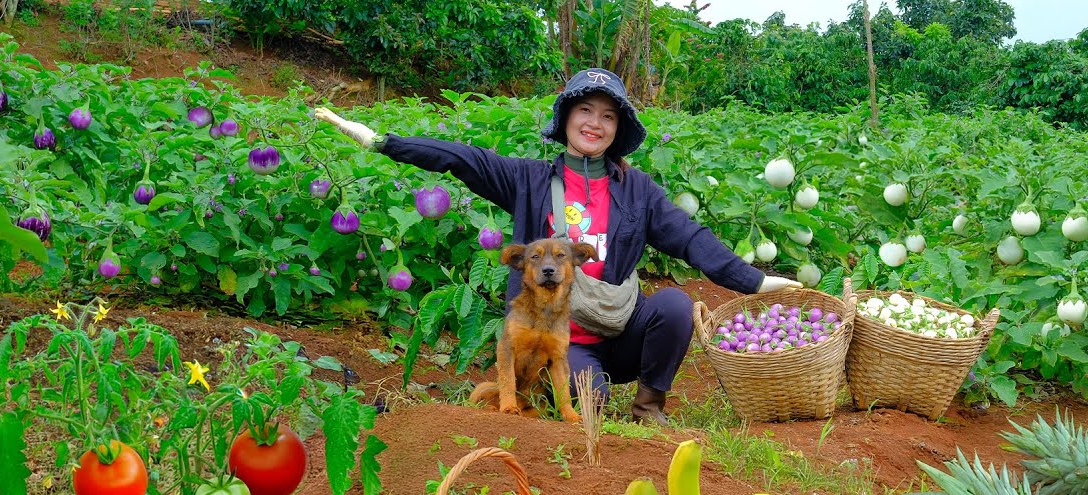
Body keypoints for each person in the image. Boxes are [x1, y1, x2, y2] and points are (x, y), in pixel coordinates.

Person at [314, 68, 803, 426]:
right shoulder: (528, 180)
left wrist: (753, 280)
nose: (594, 123)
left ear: (617, 130)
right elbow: (462, 159)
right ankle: (575, 385)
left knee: (674, 306)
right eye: (585, 110)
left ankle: (649, 406)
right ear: (567, 117)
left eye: (607, 116)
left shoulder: (637, 190)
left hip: (621, 327)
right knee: (588, 399)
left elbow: (690, 237)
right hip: (561, 341)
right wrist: (383, 142)